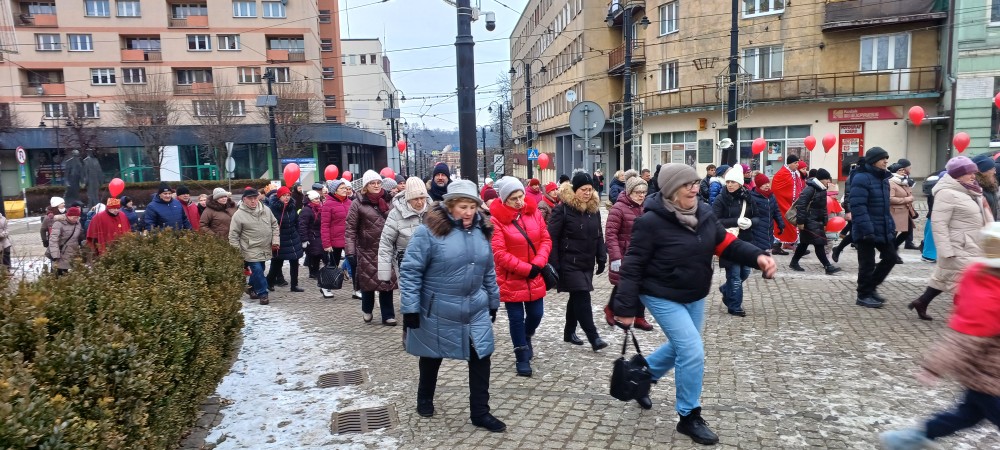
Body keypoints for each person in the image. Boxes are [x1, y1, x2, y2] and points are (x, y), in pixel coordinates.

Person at [612, 163, 776, 441]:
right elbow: (633, 266)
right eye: (687, 184)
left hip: (695, 292)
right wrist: (626, 308)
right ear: (671, 190)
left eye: (696, 183)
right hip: (660, 293)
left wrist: (757, 256)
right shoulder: (649, 222)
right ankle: (688, 416)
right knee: (692, 351)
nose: (694, 188)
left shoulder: (704, 213)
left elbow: (726, 243)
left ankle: (643, 375)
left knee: (681, 348)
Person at [879, 223, 1000, 449]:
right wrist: (933, 367)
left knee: (966, 415)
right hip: (987, 377)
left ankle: (913, 438)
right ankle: (911, 438)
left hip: (989, 377)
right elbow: (960, 341)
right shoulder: (988, 298)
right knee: (970, 414)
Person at [399, 179, 505, 432]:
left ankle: (480, 412)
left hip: (475, 309)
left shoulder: (482, 232)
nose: (468, 212)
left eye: (472, 207)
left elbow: (488, 270)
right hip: (437, 307)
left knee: (482, 356)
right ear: (450, 206)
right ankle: (425, 397)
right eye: (462, 207)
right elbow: (411, 271)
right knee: (431, 355)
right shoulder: (429, 232)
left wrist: (492, 300)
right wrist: (410, 308)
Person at [907, 156, 991, 321]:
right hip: (959, 246)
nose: (973, 176)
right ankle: (965, 318)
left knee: (945, 276)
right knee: (965, 283)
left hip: (972, 244)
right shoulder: (947, 193)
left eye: (974, 172)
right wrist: (945, 250)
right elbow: (939, 223)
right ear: (958, 175)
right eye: (969, 173)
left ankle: (922, 302)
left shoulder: (971, 190)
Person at [489, 176, 551, 377]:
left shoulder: (533, 213)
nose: (519, 201)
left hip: (534, 273)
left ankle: (526, 336)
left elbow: (545, 240)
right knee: (516, 318)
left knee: (536, 314)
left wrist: (537, 264)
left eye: (521, 196)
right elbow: (499, 253)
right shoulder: (496, 220)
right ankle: (521, 355)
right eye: (513, 198)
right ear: (504, 200)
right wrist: (525, 268)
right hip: (511, 278)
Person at [549, 171, 609, 351]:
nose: (587, 193)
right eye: (584, 189)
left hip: (587, 262)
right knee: (583, 296)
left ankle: (569, 331)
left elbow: (599, 235)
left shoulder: (594, 210)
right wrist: (554, 264)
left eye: (590, 189)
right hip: (569, 262)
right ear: (575, 190)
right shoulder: (563, 209)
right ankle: (594, 337)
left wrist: (602, 256)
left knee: (576, 296)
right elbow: (551, 238)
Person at [346, 170, 398, 325]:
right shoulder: (357, 203)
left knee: (386, 283)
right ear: (365, 186)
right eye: (372, 183)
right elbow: (350, 228)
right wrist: (350, 251)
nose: (376, 186)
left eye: (378, 183)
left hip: (387, 248)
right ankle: (367, 310)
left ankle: (388, 314)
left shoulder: (390, 200)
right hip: (366, 249)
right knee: (368, 284)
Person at [603, 172, 653, 328]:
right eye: (638, 193)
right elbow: (610, 234)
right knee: (622, 284)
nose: (641, 196)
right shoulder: (618, 209)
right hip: (624, 254)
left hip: (641, 254)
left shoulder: (645, 208)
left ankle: (639, 316)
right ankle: (611, 309)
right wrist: (616, 257)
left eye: (644, 193)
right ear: (630, 192)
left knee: (641, 284)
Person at [849, 147, 897, 308]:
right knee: (867, 264)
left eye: (887, 159)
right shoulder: (861, 178)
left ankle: (870, 288)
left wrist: (890, 225)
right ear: (873, 160)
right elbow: (858, 206)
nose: (886, 162)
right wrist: (867, 228)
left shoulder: (883, 179)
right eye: (883, 159)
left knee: (891, 257)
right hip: (865, 229)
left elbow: (884, 206)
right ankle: (863, 295)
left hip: (881, 226)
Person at [377, 177, 430, 311]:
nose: (419, 202)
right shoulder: (395, 214)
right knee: (410, 295)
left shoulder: (433, 212)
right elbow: (386, 243)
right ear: (408, 199)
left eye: (422, 198)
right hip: (405, 260)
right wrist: (384, 273)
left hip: (429, 259)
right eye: (415, 199)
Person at [713, 165, 759, 316]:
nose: (730, 185)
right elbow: (714, 221)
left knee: (744, 272)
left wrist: (751, 222)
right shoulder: (721, 199)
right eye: (728, 182)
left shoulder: (748, 197)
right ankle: (734, 306)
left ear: (740, 183)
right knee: (734, 275)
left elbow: (758, 217)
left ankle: (726, 289)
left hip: (746, 241)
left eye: (733, 182)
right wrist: (735, 221)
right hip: (728, 242)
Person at [229, 187, 279, 305]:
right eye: (250, 198)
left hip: (265, 246)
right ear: (244, 199)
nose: (253, 201)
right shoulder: (238, 215)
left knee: (260, 269)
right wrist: (237, 252)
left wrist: (275, 241)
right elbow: (233, 235)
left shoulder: (266, 210)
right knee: (257, 269)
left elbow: (274, 225)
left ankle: (251, 287)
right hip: (249, 248)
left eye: (255, 198)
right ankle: (263, 294)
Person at [788, 169, 842, 275]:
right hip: (809, 221)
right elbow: (801, 206)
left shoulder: (822, 189)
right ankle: (828, 266)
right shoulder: (810, 189)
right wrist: (801, 222)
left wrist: (825, 222)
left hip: (817, 222)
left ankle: (794, 262)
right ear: (821, 179)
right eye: (826, 179)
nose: (828, 181)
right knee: (819, 243)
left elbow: (823, 209)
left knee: (804, 244)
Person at [266, 186, 305, 293]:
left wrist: (297, 233)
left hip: (293, 237)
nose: (286, 198)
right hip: (280, 239)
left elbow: (296, 221)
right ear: (279, 196)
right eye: (284, 195)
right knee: (277, 263)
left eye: (288, 195)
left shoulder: (292, 206)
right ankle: (269, 282)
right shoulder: (272, 208)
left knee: (294, 261)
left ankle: (294, 285)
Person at [321, 179, 352, 299]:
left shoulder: (350, 202)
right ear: (335, 191)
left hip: (349, 239)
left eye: (346, 188)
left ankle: (357, 289)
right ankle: (325, 287)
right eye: (342, 188)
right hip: (335, 241)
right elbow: (324, 225)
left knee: (354, 263)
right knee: (333, 264)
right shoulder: (328, 204)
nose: (345, 190)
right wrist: (326, 243)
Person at [749, 173, 785, 256]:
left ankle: (763, 264)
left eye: (768, 183)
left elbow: (776, 211)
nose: (767, 185)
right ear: (758, 185)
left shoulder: (771, 196)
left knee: (767, 246)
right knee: (759, 248)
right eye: (764, 184)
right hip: (757, 228)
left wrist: (781, 224)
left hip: (769, 228)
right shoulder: (752, 197)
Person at [772, 155, 802, 252]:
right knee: (785, 224)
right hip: (782, 203)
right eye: (795, 163)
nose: (797, 165)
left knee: (788, 224)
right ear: (789, 163)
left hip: (790, 203)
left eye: (797, 162)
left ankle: (783, 245)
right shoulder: (783, 174)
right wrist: (790, 198)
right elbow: (777, 189)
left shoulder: (794, 173)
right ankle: (795, 246)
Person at [888, 163, 916, 262]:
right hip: (895, 212)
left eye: (904, 170)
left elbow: (909, 195)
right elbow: (890, 199)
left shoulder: (903, 182)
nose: (903, 172)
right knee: (893, 233)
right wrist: (906, 199)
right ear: (895, 171)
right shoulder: (891, 182)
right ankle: (892, 254)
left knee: (907, 232)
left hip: (905, 212)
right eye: (900, 170)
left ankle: (891, 250)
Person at [298, 190, 326, 280]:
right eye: (316, 199)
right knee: (314, 254)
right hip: (311, 235)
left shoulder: (319, 208)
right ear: (310, 200)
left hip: (318, 234)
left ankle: (314, 271)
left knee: (317, 254)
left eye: (318, 198)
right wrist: (304, 239)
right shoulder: (306, 210)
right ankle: (313, 272)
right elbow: (302, 225)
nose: (318, 200)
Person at [48, 206, 83, 276]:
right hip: (60, 253)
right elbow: (53, 240)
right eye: (74, 217)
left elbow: (79, 237)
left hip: (72, 253)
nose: (76, 219)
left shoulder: (78, 224)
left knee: (69, 276)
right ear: (68, 216)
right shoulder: (58, 224)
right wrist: (55, 255)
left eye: (77, 217)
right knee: (59, 275)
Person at [974, 154, 999, 220]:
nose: (995, 172)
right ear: (983, 171)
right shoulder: (976, 189)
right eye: (992, 169)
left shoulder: (990, 186)